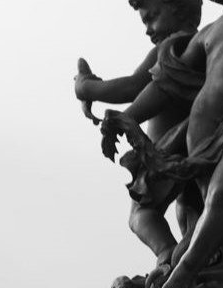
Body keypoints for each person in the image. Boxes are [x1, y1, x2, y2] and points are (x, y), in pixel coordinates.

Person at [101, 0, 223, 288]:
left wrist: (89, 90)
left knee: (221, 195)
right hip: (203, 130)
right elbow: (167, 83)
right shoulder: (211, 32)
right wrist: (128, 117)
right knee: (211, 203)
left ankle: (187, 268)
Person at [74, 0, 202, 271]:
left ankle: (166, 252)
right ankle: (194, 255)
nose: (148, 29)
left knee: (140, 214)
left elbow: (131, 88)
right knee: (189, 208)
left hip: (166, 152)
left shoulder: (172, 47)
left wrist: (87, 88)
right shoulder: (203, 45)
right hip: (192, 146)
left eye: (151, 18)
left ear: (177, 8)